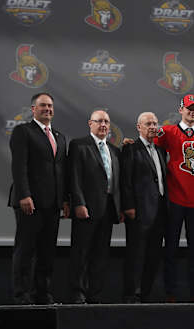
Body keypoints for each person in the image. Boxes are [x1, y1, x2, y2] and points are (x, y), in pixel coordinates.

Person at [8, 92, 69, 305]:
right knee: (25, 250)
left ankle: (42, 294)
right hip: (30, 203)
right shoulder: (23, 131)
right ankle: (21, 295)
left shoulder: (59, 137)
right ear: (33, 109)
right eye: (43, 106)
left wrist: (65, 200)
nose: (48, 109)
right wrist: (24, 194)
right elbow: (19, 166)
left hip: (52, 204)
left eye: (50, 106)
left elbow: (62, 171)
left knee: (47, 252)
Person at [155, 94, 194, 302]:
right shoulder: (168, 131)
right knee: (170, 248)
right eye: (189, 108)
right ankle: (170, 292)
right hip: (174, 199)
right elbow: (147, 145)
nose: (193, 111)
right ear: (180, 109)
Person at [67, 110, 122, 304]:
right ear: (90, 123)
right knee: (81, 252)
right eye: (99, 121)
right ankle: (78, 293)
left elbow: (117, 183)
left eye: (106, 121)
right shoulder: (79, 145)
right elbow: (74, 177)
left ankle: (95, 293)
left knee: (101, 254)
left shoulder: (115, 150)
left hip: (108, 209)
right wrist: (79, 203)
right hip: (86, 208)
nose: (103, 125)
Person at [121, 112, 168, 303]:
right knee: (136, 254)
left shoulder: (161, 151)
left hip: (160, 212)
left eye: (155, 123)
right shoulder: (130, 149)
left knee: (153, 255)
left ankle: (146, 293)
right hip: (139, 212)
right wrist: (129, 206)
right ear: (138, 127)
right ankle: (131, 294)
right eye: (148, 123)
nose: (153, 127)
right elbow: (125, 181)